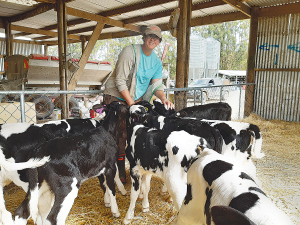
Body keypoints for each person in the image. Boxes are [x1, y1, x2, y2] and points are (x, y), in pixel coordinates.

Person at [103, 25, 174, 183]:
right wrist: (131, 104)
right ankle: (118, 169)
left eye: (156, 38)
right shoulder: (130, 52)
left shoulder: (156, 62)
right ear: (143, 37)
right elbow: (120, 81)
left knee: (135, 132)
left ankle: (134, 165)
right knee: (119, 135)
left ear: (159, 41)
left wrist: (163, 98)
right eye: (149, 36)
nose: (152, 39)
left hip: (134, 99)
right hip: (116, 96)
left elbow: (157, 85)